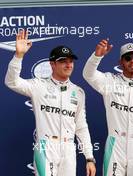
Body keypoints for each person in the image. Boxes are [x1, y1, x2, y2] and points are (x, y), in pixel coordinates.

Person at [5, 30, 96, 176]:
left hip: (68, 149)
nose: (68, 65)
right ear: (52, 64)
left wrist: (89, 157)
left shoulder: (78, 92)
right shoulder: (38, 86)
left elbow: (81, 126)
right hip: (45, 146)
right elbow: (11, 82)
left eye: (70, 61)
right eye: (63, 61)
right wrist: (18, 56)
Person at [83, 41, 133, 176]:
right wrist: (97, 57)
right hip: (115, 144)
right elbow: (88, 74)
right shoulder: (110, 83)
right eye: (127, 58)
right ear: (121, 62)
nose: (132, 61)